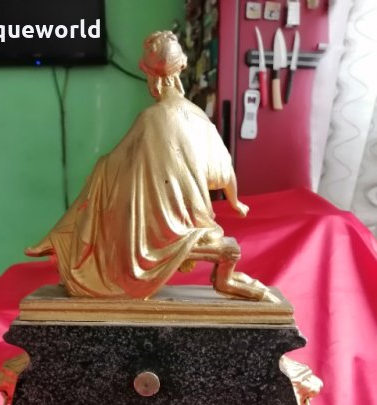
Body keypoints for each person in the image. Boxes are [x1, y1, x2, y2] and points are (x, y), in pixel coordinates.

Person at [26, 31, 269, 301]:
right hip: (199, 229)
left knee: (102, 173)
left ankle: (60, 238)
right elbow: (223, 172)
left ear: (154, 80)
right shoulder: (199, 116)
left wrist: (105, 169)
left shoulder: (149, 119)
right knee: (109, 175)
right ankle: (58, 237)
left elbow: (114, 164)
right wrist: (235, 202)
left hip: (154, 238)